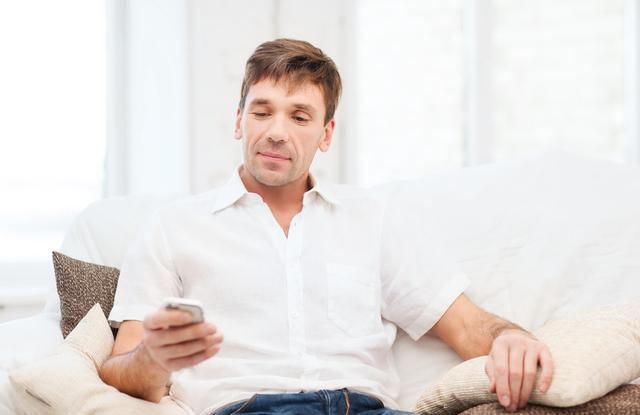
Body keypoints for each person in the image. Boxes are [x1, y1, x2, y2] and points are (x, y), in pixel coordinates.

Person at [99, 38, 554, 415]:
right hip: (249, 408)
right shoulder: (175, 227)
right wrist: (152, 359)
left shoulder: (372, 219)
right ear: (239, 121)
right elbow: (120, 370)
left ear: (326, 133)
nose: (277, 132)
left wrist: (510, 339)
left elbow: (469, 327)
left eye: (299, 117)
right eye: (262, 112)